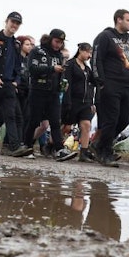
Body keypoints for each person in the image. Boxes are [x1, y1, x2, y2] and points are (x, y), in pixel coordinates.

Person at [92, 9, 129, 167]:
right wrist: (100, 82)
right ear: (119, 20)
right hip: (110, 83)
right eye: (128, 20)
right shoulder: (105, 36)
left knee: (125, 118)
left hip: (127, 85)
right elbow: (96, 59)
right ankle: (104, 152)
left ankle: (100, 144)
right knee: (110, 119)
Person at [0, 12, 32, 157]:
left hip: (8, 84)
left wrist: (16, 81)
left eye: (17, 23)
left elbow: (17, 66)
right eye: (12, 22)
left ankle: (14, 146)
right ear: (6, 21)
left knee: (11, 115)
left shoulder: (15, 44)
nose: (14, 25)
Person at [25, 29, 72, 160]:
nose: (58, 45)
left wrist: (63, 83)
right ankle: (27, 146)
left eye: (61, 42)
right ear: (50, 39)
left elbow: (60, 73)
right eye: (57, 41)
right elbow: (32, 69)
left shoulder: (59, 56)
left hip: (54, 93)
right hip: (38, 90)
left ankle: (59, 149)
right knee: (34, 121)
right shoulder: (37, 51)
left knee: (56, 122)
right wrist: (51, 69)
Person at [62, 42, 97, 162]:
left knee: (86, 125)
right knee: (66, 127)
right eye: (87, 52)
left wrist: (92, 101)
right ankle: (52, 145)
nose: (89, 55)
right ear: (80, 50)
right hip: (73, 100)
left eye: (90, 53)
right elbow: (67, 84)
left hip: (85, 101)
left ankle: (84, 152)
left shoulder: (87, 69)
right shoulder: (71, 65)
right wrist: (67, 100)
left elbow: (94, 83)